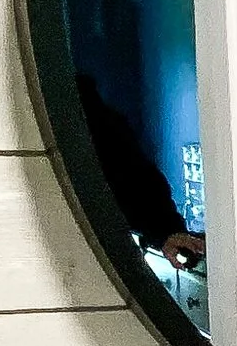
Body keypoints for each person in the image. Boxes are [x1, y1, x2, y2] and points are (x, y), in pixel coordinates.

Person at [75, 72, 201, 267]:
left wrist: (167, 230)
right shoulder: (96, 119)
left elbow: (133, 174)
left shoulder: (94, 119)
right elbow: (134, 174)